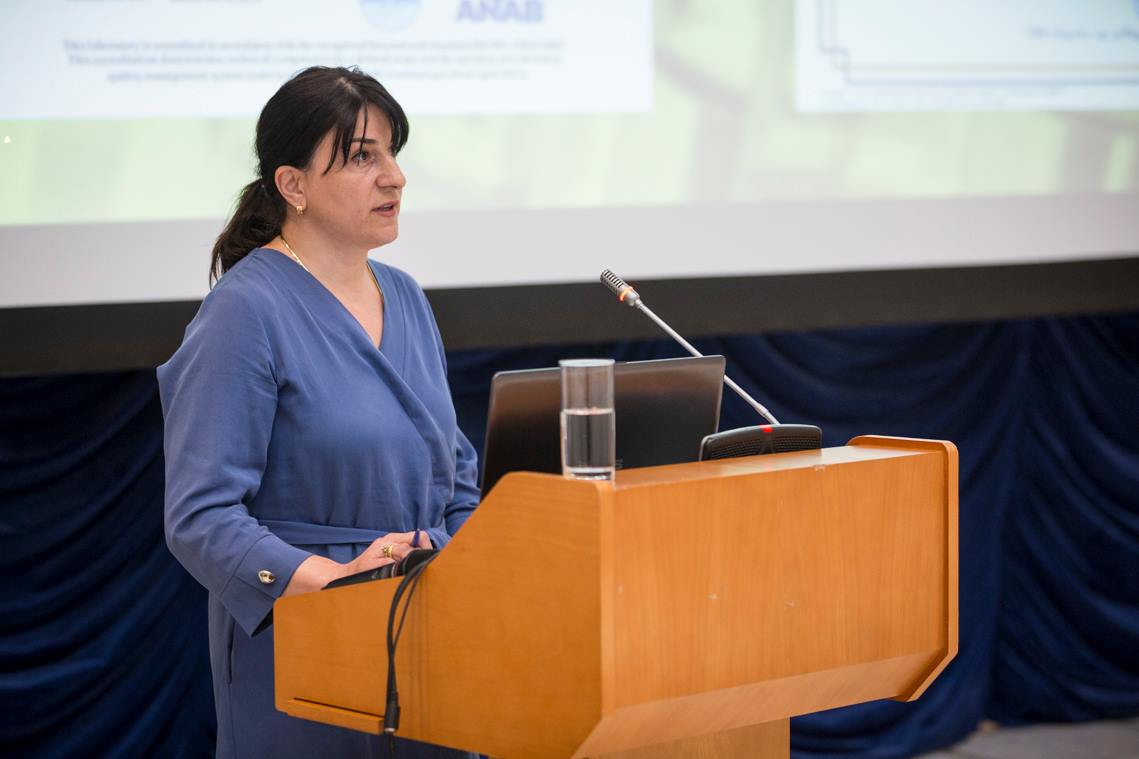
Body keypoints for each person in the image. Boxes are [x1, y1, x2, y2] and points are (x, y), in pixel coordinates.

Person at [157, 66, 480, 758]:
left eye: (392, 152)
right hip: (306, 642)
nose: (394, 177)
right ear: (292, 185)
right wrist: (334, 584)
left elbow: (455, 472)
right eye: (362, 157)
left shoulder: (406, 296)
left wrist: (457, 561)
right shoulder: (245, 311)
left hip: (429, 632)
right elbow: (200, 516)